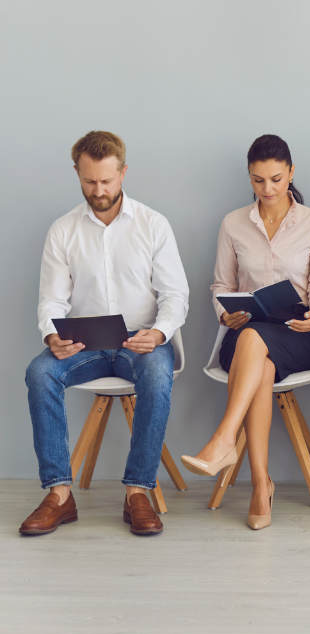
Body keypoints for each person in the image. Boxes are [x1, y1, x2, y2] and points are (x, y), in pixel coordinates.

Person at [21, 131, 189, 536]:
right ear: (78, 174)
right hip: (85, 342)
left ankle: (137, 493)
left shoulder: (153, 224)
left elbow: (176, 295)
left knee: (155, 374)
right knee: (39, 373)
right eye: (90, 181)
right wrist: (51, 335)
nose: (99, 190)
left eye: (107, 181)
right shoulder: (63, 231)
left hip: (140, 340)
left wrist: (160, 333)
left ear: (123, 172)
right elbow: (51, 301)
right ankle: (59, 494)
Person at [180, 135, 310, 530]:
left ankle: (223, 441)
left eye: (277, 179)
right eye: (259, 180)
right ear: (249, 178)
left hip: (298, 332)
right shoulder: (233, 223)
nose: (268, 189)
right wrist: (223, 313)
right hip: (246, 329)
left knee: (258, 346)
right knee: (257, 356)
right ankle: (260, 484)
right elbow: (220, 285)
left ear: (291, 173)